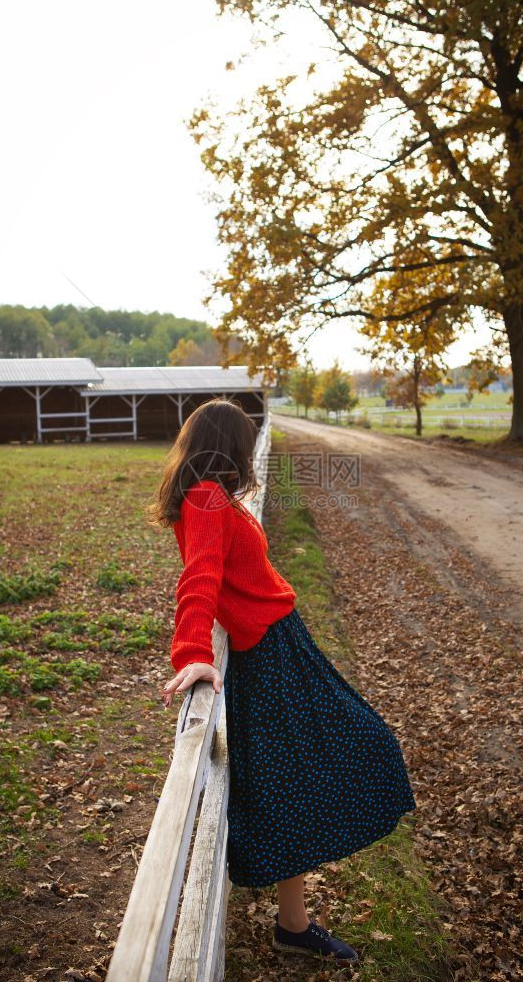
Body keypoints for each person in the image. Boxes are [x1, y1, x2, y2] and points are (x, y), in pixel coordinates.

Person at [146, 397, 417, 966]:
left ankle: (293, 922)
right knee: (340, 755)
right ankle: (292, 925)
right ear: (231, 445)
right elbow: (199, 577)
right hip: (269, 653)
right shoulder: (206, 499)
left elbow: (233, 572)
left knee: (321, 762)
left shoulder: (214, 496)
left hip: (283, 642)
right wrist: (193, 651)